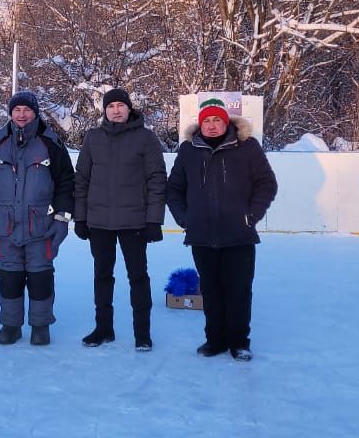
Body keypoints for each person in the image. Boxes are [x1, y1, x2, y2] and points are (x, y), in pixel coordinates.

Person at [165, 98, 278, 361]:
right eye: (207, 121)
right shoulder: (188, 150)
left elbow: (266, 183)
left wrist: (251, 216)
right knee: (212, 290)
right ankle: (214, 340)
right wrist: (185, 218)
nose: (212, 126)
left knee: (238, 290)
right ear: (200, 124)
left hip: (239, 234)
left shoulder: (246, 147)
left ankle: (239, 342)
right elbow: (174, 189)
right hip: (201, 235)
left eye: (217, 120)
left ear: (226, 122)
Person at [0, 90, 75, 346]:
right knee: (9, 276)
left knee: (40, 276)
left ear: (35, 113)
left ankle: (40, 326)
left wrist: (63, 217)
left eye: (27, 110)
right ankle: (10, 326)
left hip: (41, 224)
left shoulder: (50, 142)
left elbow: (66, 181)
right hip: (6, 224)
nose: (21, 115)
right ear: (10, 113)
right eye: (17, 110)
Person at [73, 87, 167, 351]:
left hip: (134, 222)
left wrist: (154, 221)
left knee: (138, 277)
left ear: (129, 109)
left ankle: (142, 334)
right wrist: (81, 218)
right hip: (99, 222)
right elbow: (81, 179)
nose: (116, 110)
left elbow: (157, 179)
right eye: (110, 106)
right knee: (102, 276)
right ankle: (104, 329)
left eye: (120, 106)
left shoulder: (146, 139)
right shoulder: (93, 138)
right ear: (104, 110)